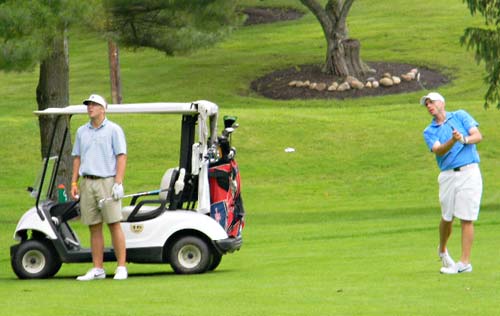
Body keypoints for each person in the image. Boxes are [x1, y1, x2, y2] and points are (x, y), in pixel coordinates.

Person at [420, 92, 483, 274]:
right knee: (447, 217)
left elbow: (477, 135)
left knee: (467, 217)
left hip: (469, 172)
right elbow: (438, 150)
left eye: (431, 102)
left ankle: (464, 263)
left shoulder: (460, 116)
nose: (429, 106)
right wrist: (453, 140)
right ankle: (442, 249)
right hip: (448, 175)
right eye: (426, 104)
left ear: (442, 103)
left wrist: (463, 139)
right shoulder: (429, 131)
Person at [71, 94, 128, 280]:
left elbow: (121, 156)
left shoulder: (113, 130)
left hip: (107, 181)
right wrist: (74, 182)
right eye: (88, 105)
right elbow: (77, 157)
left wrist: (118, 182)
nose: (90, 108)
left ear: (103, 109)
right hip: (87, 182)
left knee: (113, 223)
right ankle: (98, 268)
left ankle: (121, 267)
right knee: (94, 226)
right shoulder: (81, 131)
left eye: (94, 105)